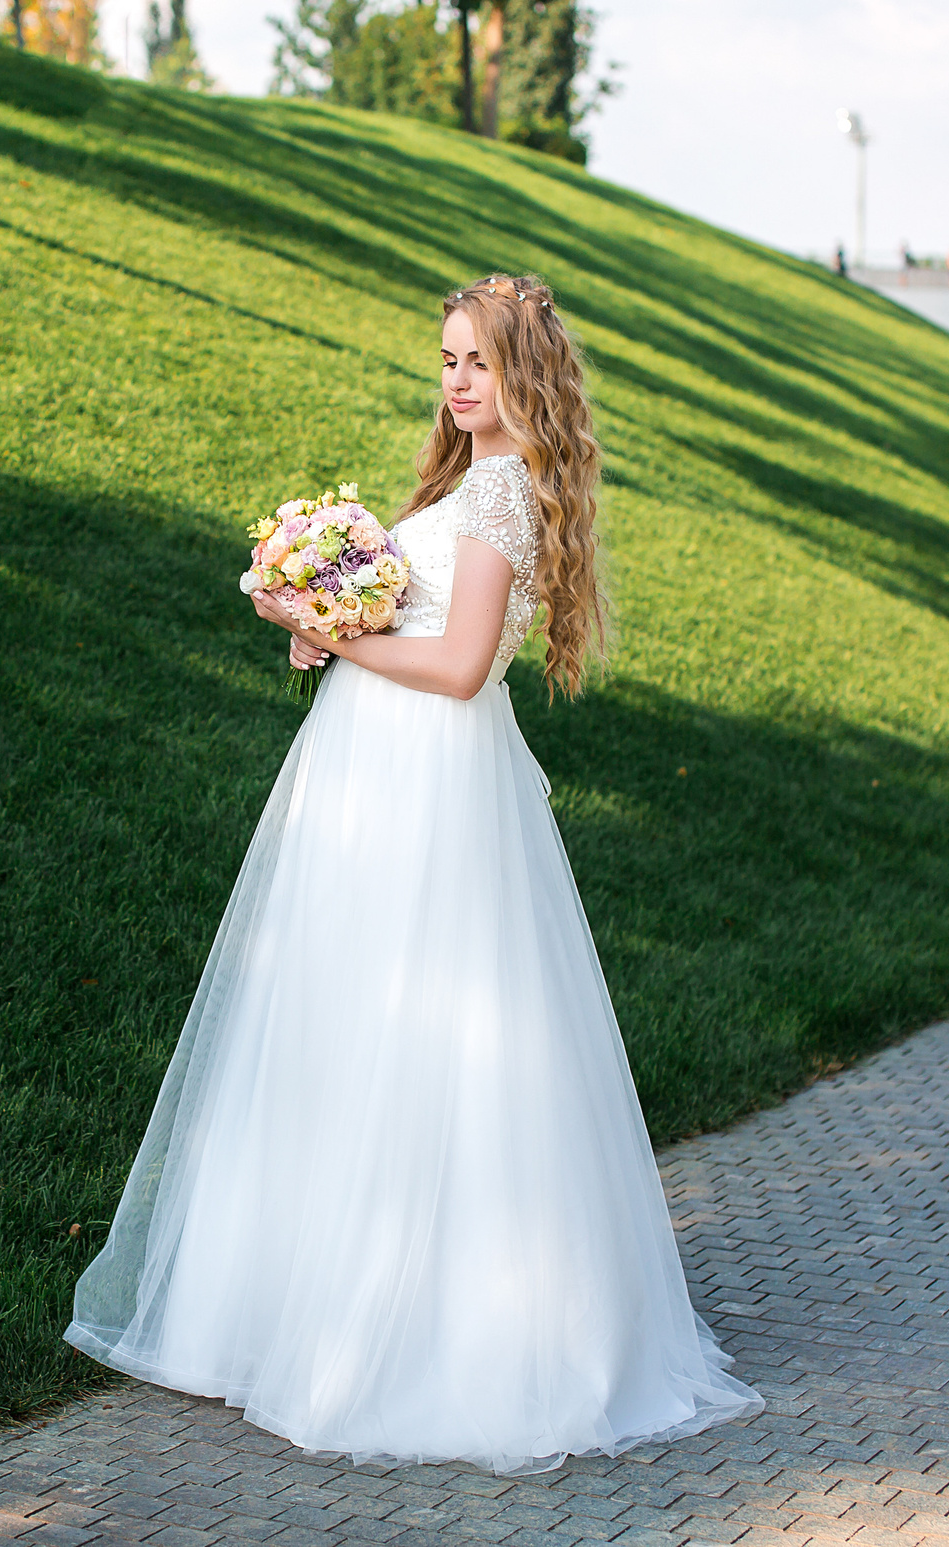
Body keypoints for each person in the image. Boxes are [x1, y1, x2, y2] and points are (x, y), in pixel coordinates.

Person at [63, 274, 762, 1475]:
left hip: (431, 780)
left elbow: (456, 665)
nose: (454, 382)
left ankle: (428, 1330)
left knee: (419, 1036)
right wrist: (322, 612)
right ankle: (299, 1301)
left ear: (523, 376)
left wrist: (331, 630)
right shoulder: (456, 481)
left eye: (478, 364)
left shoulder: (498, 494)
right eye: (445, 361)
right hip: (373, 774)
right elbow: (406, 625)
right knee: (342, 1021)